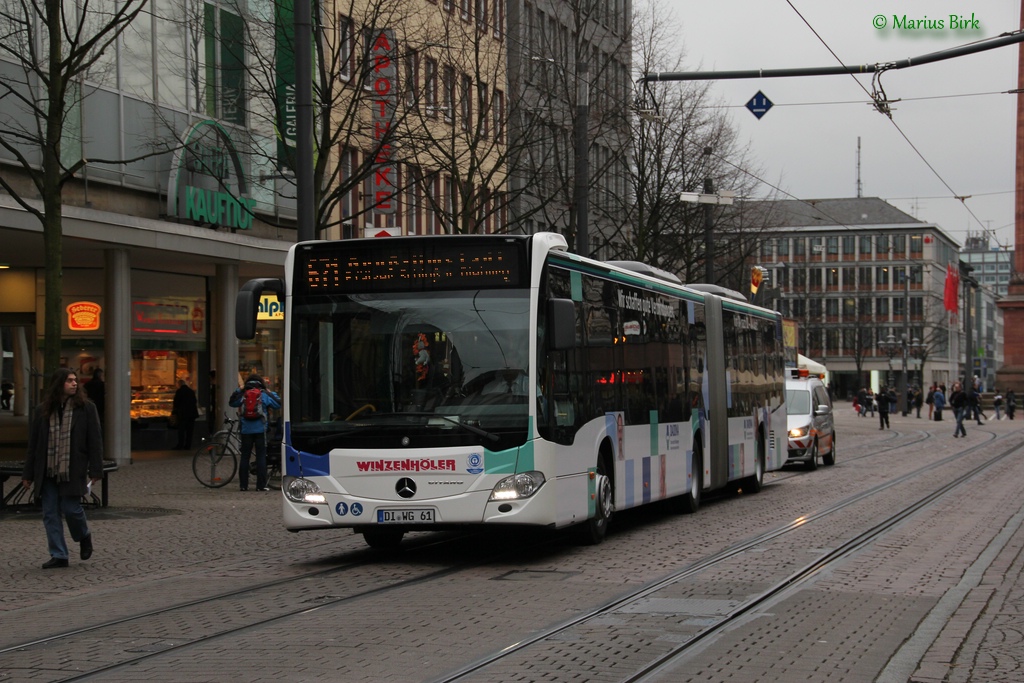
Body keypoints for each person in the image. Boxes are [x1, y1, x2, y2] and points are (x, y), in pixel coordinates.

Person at [21, 368, 103, 568]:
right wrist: (28, 474)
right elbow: (34, 445)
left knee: (71, 509)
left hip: (72, 469)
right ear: (59, 384)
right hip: (46, 470)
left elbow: (95, 441)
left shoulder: (86, 408)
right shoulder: (42, 410)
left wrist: (96, 470)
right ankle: (59, 554)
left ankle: (84, 535)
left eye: (75, 380)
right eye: (69, 381)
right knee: (50, 513)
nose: (74, 383)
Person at [229, 374, 281, 491]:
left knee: (245, 457)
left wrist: (240, 389)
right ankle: (261, 486)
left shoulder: (243, 394)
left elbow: (231, 402)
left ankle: (243, 486)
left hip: (246, 430)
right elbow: (278, 403)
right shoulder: (263, 394)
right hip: (261, 430)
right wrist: (269, 391)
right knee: (261, 457)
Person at [171, 379, 199, 450]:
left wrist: (174, 412)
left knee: (181, 430)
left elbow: (176, 403)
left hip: (182, 414)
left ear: (179, 384)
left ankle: (180, 445)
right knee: (190, 431)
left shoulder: (179, 391)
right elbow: (195, 401)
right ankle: (188, 445)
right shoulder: (191, 391)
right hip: (192, 414)